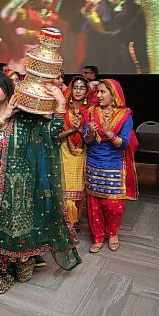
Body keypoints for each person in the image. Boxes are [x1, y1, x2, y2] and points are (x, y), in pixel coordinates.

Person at [0, 70, 81, 297]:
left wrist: (60, 103)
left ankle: (20, 262)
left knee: (15, 227)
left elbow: (51, 132)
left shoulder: (25, 116)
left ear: (8, 89)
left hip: (18, 182)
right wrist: (5, 115)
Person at [82, 79, 138, 253]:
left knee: (113, 205)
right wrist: (90, 133)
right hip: (93, 163)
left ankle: (112, 233)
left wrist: (108, 133)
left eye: (102, 92)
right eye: (97, 92)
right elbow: (86, 141)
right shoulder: (89, 113)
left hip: (114, 165)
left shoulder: (124, 115)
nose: (98, 95)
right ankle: (98, 237)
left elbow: (125, 143)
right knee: (94, 203)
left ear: (113, 95)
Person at [75, 0, 149, 74]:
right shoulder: (94, 7)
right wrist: (90, 4)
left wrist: (145, 69)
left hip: (122, 66)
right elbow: (77, 29)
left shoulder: (135, 11)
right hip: (94, 65)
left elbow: (140, 45)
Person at [0, 0, 67, 73]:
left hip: (44, 72)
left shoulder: (56, 19)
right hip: (19, 71)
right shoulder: (23, 13)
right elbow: (5, 15)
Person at [59, 76, 90, 231]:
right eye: (75, 87)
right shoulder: (62, 109)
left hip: (82, 153)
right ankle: (65, 221)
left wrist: (83, 132)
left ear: (87, 91)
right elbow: (54, 135)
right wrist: (72, 130)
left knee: (78, 188)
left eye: (82, 88)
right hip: (64, 151)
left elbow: (92, 138)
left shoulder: (90, 111)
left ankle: (74, 221)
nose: (78, 91)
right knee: (66, 188)